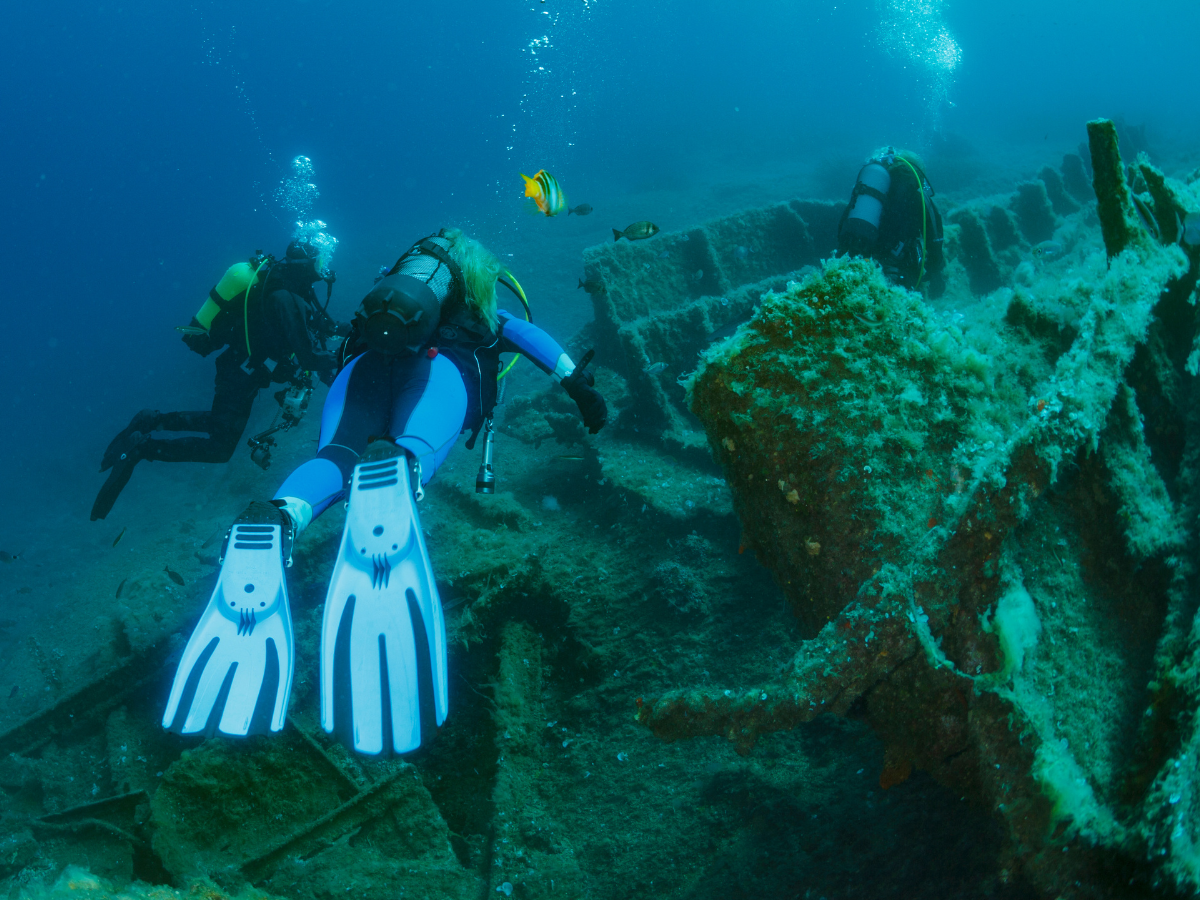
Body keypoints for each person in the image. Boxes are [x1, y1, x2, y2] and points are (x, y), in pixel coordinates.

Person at [160, 228, 607, 757]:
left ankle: (279, 516)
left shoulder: (387, 300)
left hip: (361, 368)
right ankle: (403, 468)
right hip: (441, 367)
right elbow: (531, 339)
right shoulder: (476, 310)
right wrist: (578, 385)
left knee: (335, 460)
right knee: (412, 450)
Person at [92, 239, 347, 520]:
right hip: (241, 373)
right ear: (306, 265)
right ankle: (143, 447)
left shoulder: (296, 290)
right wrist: (345, 359)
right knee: (220, 448)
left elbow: (326, 326)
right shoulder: (285, 297)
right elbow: (310, 356)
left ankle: (151, 420)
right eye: (320, 262)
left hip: (242, 369)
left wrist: (356, 333)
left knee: (217, 423)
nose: (323, 269)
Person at [836, 147, 946, 296]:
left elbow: (846, 221)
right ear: (918, 173)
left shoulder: (874, 189)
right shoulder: (918, 193)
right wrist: (935, 271)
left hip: (860, 254)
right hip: (896, 267)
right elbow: (935, 237)